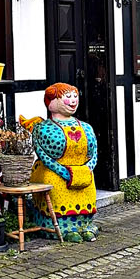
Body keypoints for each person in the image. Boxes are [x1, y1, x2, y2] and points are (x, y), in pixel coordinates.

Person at [24, 82, 98, 241]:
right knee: (56, 192)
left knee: (87, 196)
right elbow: (44, 156)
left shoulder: (86, 127)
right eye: (67, 97)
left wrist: (87, 169)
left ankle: (85, 225)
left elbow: (94, 154)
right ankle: (61, 229)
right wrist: (64, 172)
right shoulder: (42, 128)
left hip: (83, 174)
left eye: (75, 96)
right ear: (51, 102)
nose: (73, 100)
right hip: (55, 174)